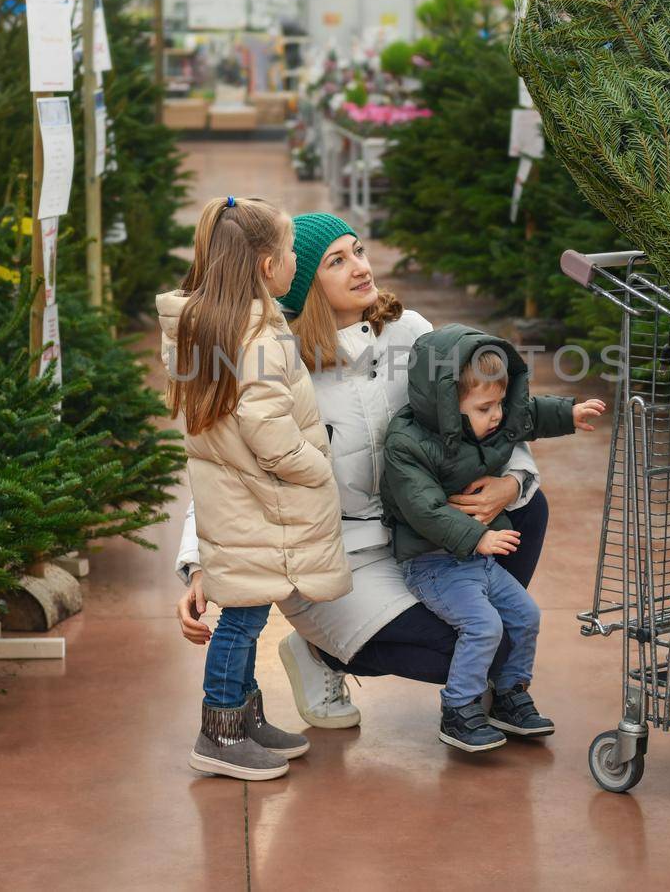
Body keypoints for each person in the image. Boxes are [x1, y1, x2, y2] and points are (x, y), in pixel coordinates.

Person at [175, 213, 550, 729]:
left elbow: (490, 409)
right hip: (338, 555)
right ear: (304, 284)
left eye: (358, 251)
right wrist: (199, 565)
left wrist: (511, 482)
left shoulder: (412, 333)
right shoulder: (275, 360)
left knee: (528, 508)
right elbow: (223, 470)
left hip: (424, 532)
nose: (360, 268)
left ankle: (488, 658)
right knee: (472, 647)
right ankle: (321, 654)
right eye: (337, 261)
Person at [157, 197, 351, 782]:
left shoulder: (207, 326)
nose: (296, 261)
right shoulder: (261, 335)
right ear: (268, 267)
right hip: (261, 500)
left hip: (234, 497)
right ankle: (220, 732)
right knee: (242, 621)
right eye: (292, 252)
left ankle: (245, 718)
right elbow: (268, 431)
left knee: (247, 614)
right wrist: (316, 466)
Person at [382, 328, 605, 752]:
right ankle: (459, 709)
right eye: (485, 407)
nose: (497, 415)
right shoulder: (407, 444)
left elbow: (527, 415)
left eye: (498, 402)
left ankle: (508, 693)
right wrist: (478, 537)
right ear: (446, 405)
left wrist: (568, 414)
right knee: (483, 626)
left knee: (525, 615)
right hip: (432, 562)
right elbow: (423, 510)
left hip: (474, 558)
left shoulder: (486, 422)